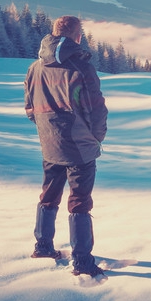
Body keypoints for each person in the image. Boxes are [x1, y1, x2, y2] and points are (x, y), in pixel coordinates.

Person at [24, 15, 108, 277]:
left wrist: (48, 129)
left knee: (48, 194)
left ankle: (43, 245)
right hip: (79, 146)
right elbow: (96, 110)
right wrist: (96, 138)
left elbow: (30, 108)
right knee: (80, 201)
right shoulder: (81, 69)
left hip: (50, 143)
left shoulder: (35, 68)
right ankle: (82, 261)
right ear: (77, 36)